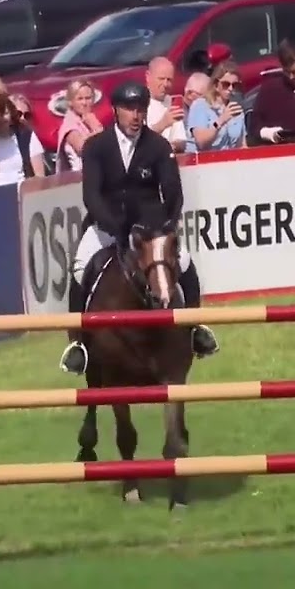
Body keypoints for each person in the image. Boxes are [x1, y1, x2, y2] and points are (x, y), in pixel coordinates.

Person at [57, 81, 219, 375]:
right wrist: (113, 226)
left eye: (141, 110)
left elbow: (173, 192)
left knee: (184, 262)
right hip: (107, 224)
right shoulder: (96, 147)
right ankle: (77, 343)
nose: (136, 116)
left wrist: (167, 225)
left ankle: (195, 329)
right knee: (81, 268)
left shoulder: (158, 146)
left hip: (150, 227)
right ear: (116, 111)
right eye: (130, 109)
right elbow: (91, 195)